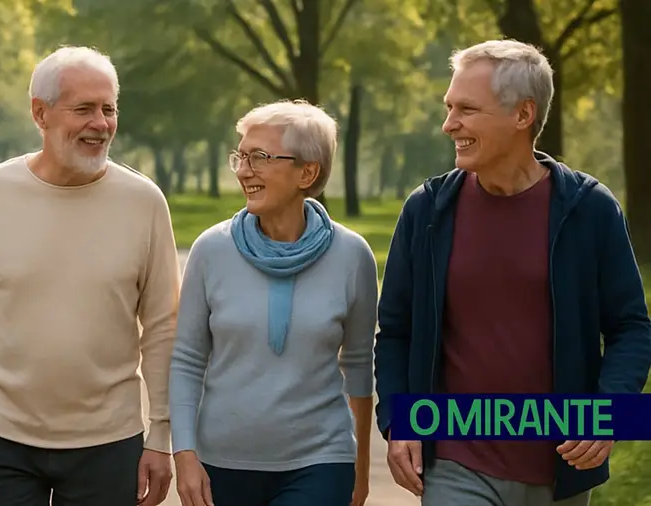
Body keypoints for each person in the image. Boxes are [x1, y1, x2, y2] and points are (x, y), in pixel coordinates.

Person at [375, 39, 651, 506]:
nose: (449, 125)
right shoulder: (428, 211)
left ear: (523, 115)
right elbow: (396, 330)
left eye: (467, 109)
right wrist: (399, 423)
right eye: (448, 108)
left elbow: (630, 328)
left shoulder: (589, 209)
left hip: (560, 467)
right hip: (455, 462)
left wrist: (610, 413)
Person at [0, 45, 180, 506]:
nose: (101, 123)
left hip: (110, 442)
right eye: (84, 109)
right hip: (0, 440)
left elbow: (163, 327)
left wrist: (160, 435)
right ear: (40, 112)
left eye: (109, 109)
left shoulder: (144, 201)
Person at [169, 99, 377, 506]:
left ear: (308, 172)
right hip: (221, 464)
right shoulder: (211, 249)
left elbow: (358, 366)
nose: (244, 171)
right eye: (241, 157)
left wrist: (360, 469)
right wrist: (185, 455)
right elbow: (188, 359)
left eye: (260, 158)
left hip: (321, 461)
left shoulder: (352, 255)